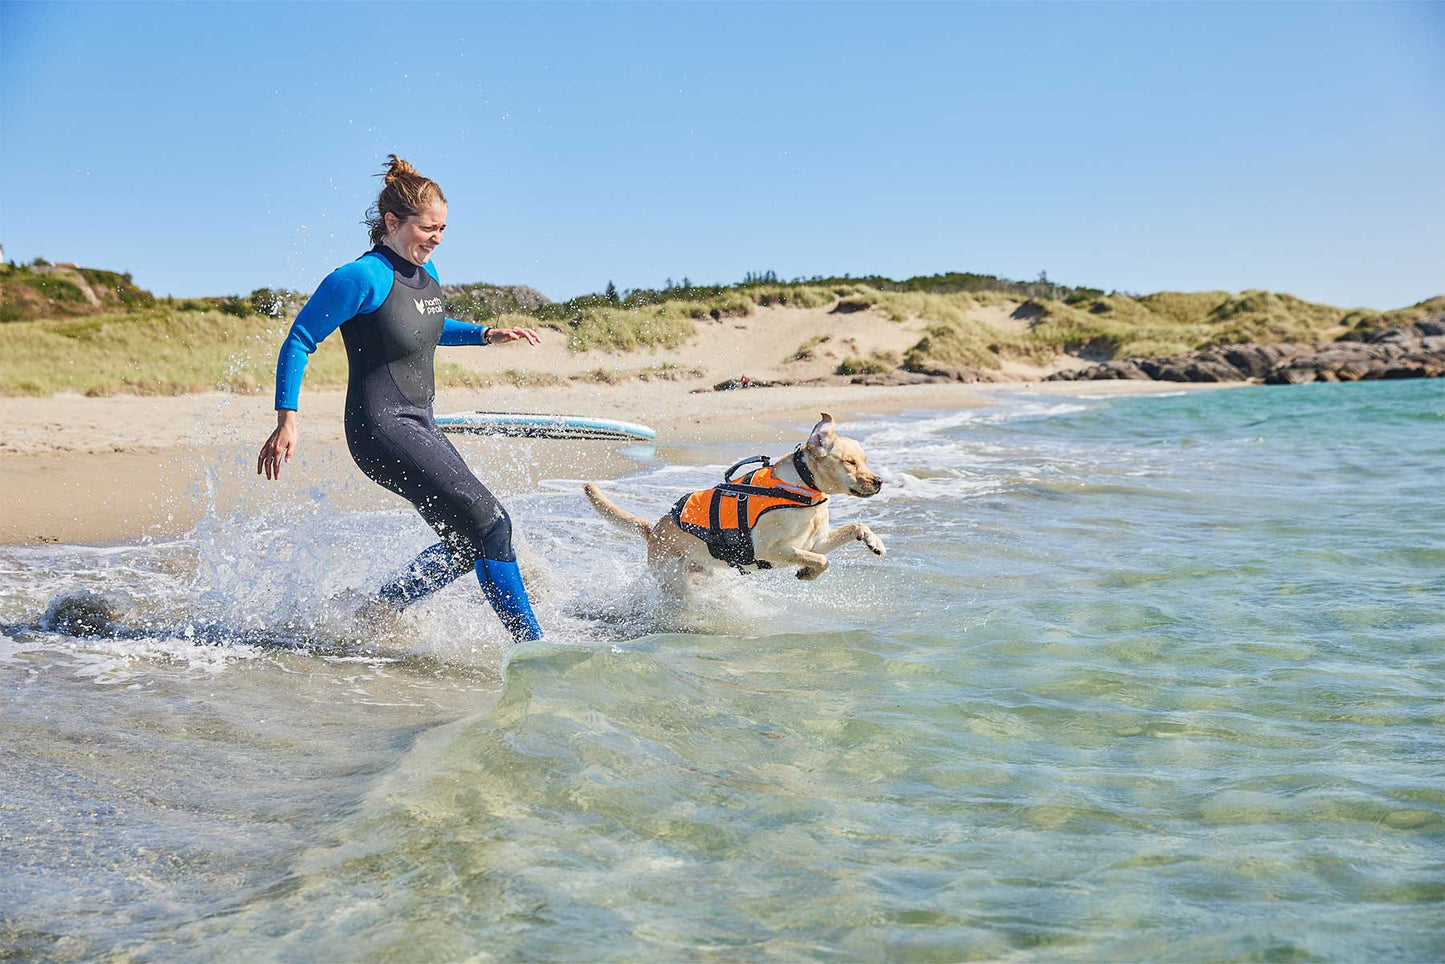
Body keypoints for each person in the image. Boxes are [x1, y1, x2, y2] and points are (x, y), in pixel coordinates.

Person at [257, 155, 545, 641]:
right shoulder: (360, 277)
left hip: (418, 422)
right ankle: (536, 649)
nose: (436, 238)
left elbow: (423, 328)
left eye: (443, 229)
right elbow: (299, 340)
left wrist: (484, 333)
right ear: (392, 222)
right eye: (428, 228)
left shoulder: (424, 276)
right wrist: (287, 419)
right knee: (493, 524)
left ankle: (378, 612)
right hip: (381, 430)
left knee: (463, 541)